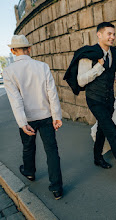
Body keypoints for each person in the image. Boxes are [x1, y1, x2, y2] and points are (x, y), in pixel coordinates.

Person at [74, 22, 116, 183]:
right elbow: (81, 81)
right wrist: (98, 67)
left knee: (102, 128)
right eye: (109, 34)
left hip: (108, 99)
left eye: (114, 34)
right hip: (94, 100)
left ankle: (97, 157)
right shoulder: (88, 54)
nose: (112, 37)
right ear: (99, 35)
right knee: (111, 131)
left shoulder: (114, 52)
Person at [3, 35, 63, 200]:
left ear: (13, 51)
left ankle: (29, 172)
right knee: (52, 150)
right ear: (29, 49)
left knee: (28, 147)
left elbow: (16, 100)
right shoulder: (42, 66)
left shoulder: (8, 71)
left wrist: (22, 123)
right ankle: (57, 188)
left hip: (27, 119)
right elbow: (52, 93)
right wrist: (56, 115)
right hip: (45, 115)